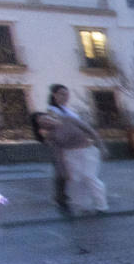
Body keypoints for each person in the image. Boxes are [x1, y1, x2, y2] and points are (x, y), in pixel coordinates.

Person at [45, 86, 108, 214]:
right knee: (76, 179)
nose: (65, 97)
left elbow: (90, 131)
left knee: (89, 177)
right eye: (62, 94)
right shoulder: (52, 124)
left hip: (86, 150)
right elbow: (56, 148)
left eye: (66, 94)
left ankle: (101, 205)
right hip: (70, 153)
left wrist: (101, 147)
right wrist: (61, 168)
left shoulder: (69, 116)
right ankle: (82, 205)